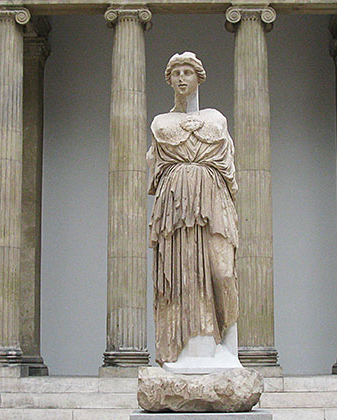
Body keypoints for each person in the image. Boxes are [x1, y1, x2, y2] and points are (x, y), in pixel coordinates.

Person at [147, 52, 241, 373]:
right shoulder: (161, 123)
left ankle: (228, 346)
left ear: (199, 77)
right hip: (176, 208)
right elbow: (155, 170)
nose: (182, 78)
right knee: (182, 277)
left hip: (213, 201)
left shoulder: (216, 119)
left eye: (188, 72)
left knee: (223, 271)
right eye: (176, 73)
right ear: (170, 80)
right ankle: (183, 351)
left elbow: (229, 171)